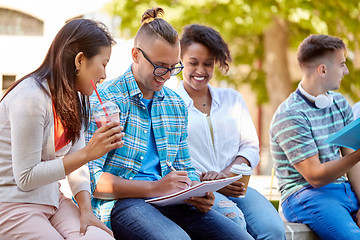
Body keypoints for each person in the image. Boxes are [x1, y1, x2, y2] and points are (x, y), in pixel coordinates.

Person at [85, 7, 253, 240]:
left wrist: (197, 193)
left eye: (173, 67)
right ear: (135, 55)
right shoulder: (106, 101)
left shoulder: (175, 104)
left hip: (171, 200)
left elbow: (184, 168)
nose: (165, 75)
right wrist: (154, 188)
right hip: (123, 204)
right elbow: (91, 180)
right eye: (160, 66)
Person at [0, 19, 124, 239]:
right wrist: (89, 153)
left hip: (51, 199)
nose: (104, 75)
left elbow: (76, 161)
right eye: (103, 64)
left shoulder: (73, 98)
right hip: (13, 203)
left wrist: (86, 210)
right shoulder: (30, 98)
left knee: (100, 237)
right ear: (80, 60)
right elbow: (26, 177)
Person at [176, 24, 285, 240]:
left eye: (208, 64)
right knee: (233, 220)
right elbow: (171, 158)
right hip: (199, 191)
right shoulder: (171, 103)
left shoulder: (232, 99)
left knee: (273, 229)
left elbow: (250, 146)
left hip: (236, 186)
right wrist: (208, 181)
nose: (201, 70)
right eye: (193, 63)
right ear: (180, 61)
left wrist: (226, 176)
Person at [270, 34, 360, 239]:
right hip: (305, 195)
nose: (345, 71)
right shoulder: (289, 115)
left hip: (342, 190)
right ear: (323, 70)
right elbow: (316, 176)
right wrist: (358, 155)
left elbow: (351, 158)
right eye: (342, 65)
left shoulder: (339, 103)